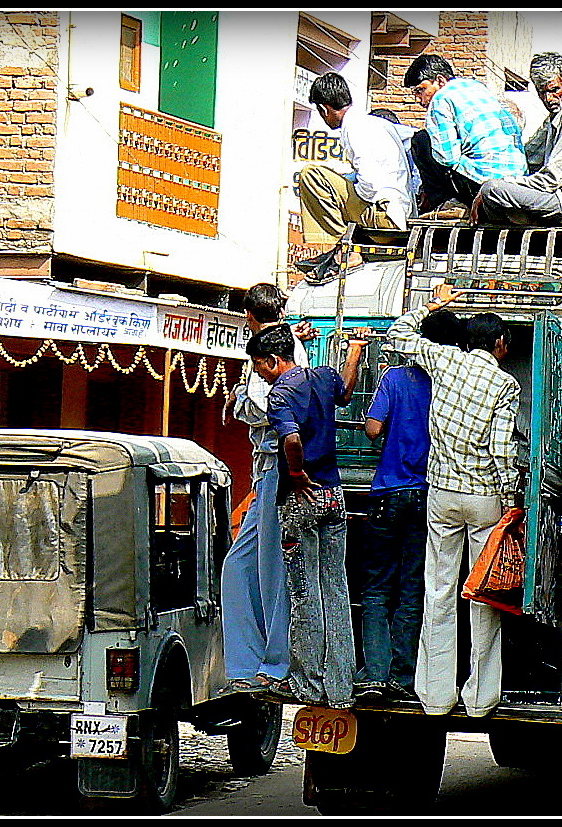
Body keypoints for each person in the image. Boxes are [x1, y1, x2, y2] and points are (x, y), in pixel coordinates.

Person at [387, 283, 522, 718]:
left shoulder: (444, 361)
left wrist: (436, 302)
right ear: (501, 345)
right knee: (483, 595)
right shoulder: (505, 384)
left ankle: (435, 693)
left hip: (441, 494)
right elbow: (503, 448)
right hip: (485, 497)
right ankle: (481, 698)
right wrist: (510, 497)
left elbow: (399, 333)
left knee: (439, 590)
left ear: (467, 341)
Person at [246, 323, 370, 709]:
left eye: (258, 366)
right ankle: (339, 685)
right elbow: (347, 392)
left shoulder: (280, 394)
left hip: (302, 500)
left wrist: (296, 473)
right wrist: (354, 353)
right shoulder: (322, 377)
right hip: (335, 495)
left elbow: (292, 439)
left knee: (305, 592)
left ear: (272, 360)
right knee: (336, 588)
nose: (258, 373)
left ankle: (307, 683)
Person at [354, 309, 468, 703]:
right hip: (429, 494)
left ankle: (373, 673)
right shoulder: (450, 384)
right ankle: (403, 676)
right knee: (412, 587)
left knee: (375, 587)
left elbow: (372, 428)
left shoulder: (395, 377)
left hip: (387, 492)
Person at [219, 284, 314, 695]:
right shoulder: (281, 340)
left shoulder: (282, 351)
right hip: (265, 468)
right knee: (239, 566)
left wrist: (240, 398)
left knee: (273, 571)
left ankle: (275, 665)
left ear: (249, 313)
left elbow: (266, 410)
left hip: (277, 465)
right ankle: (245, 662)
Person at [472, 52, 562, 230]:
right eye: (542, 93)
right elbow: (529, 156)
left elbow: (550, 180)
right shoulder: (555, 118)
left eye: (554, 90)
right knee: (490, 188)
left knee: (492, 189)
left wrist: (497, 184)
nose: (549, 99)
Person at [295, 72, 417, 283]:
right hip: (400, 212)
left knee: (311, 176)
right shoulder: (375, 123)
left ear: (324, 109)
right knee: (337, 179)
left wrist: (347, 194)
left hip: (385, 216)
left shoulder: (354, 128)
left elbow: (369, 184)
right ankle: (343, 246)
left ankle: (341, 246)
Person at [403, 54, 526, 215]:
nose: (418, 99)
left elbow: (447, 158)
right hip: (515, 180)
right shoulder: (478, 88)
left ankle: (443, 205)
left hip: (481, 181)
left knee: (422, 140)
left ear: (440, 81)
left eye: (421, 90)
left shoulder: (441, 98)